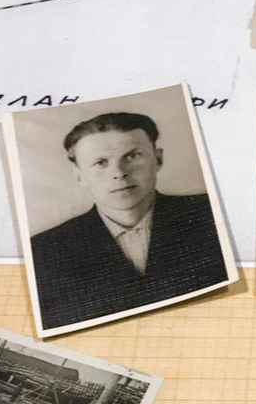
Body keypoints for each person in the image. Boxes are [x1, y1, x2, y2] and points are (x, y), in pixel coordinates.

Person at [30, 112, 230, 329]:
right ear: (79, 175)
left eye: (132, 156)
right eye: (101, 162)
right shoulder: (44, 251)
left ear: (158, 159)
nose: (119, 173)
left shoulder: (215, 215)